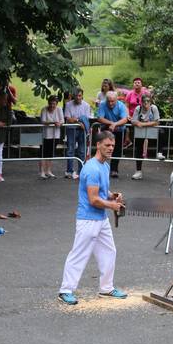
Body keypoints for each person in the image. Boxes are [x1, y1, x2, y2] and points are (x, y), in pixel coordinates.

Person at [58, 131, 128, 305]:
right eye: (107, 145)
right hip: (88, 219)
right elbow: (94, 199)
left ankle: (106, 288)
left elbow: (102, 192)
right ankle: (65, 290)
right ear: (98, 145)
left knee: (109, 251)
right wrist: (112, 205)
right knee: (79, 254)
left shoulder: (104, 165)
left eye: (112, 145)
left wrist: (113, 196)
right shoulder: (91, 168)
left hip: (101, 219)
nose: (111, 148)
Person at [96, 91, 129, 178]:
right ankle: (101, 168)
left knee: (117, 150)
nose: (110, 103)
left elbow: (125, 119)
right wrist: (111, 123)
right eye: (109, 101)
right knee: (103, 149)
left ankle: (114, 170)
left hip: (119, 130)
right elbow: (100, 118)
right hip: (107, 129)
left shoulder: (121, 105)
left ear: (116, 99)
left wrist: (115, 124)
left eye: (113, 101)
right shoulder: (103, 104)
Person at [130, 95, 161, 180]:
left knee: (161, 133)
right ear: (141, 102)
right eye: (144, 101)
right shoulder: (138, 108)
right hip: (140, 132)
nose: (146, 103)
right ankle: (138, 171)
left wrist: (143, 124)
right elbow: (133, 121)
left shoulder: (154, 108)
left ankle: (160, 152)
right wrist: (138, 123)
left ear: (151, 102)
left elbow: (156, 122)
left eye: (148, 101)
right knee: (138, 149)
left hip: (151, 131)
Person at [63, 88, 91, 179]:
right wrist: (79, 121)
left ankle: (81, 171)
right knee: (70, 150)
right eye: (76, 96)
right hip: (71, 130)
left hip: (81, 131)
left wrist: (77, 120)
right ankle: (69, 171)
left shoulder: (86, 105)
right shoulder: (68, 105)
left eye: (79, 95)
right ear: (73, 96)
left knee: (82, 151)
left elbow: (86, 119)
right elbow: (68, 119)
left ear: (82, 95)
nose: (78, 98)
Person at [39, 95, 64, 179]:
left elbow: (62, 120)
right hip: (45, 135)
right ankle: (42, 171)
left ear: (56, 104)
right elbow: (43, 121)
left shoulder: (59, 109)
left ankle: (48, 171)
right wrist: (53, 122)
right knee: (43, 154)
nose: (52, 106)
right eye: (51, 103)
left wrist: (59, 123)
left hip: (55, 135)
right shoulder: (44, 109)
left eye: (54, 104)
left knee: (50, 154)